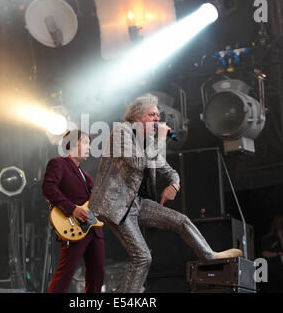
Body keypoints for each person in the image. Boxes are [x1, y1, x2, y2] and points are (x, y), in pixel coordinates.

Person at [89, 93, 242, 293]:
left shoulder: (147, 141)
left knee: (180, 220)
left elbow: (170, 171)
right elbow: (137, 163)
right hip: (116, 205)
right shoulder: (122, 132)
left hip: (135, 203)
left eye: (157, 115)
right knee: (142, 257)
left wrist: (174, 185)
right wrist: (161, 140)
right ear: (137, 117)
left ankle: (209, 256)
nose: (157, 119)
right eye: (152, 115)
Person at [42, 130, 104, 293]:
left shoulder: (87, 177)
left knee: (97, 274)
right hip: (73, 226)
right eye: (85, 143)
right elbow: (48, 188)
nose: (89, 147)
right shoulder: (58, 163)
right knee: (65, 274)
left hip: (93, 228)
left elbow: (96, 203)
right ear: (72, 144)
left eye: (90, 144)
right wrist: (72, 209)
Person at [260, 215, 283, 292]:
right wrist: (276, 254)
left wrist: (281, 237)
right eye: (279, 223)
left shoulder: (280, 239)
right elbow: (264, 253)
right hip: (271, 273)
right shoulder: (268, 239)